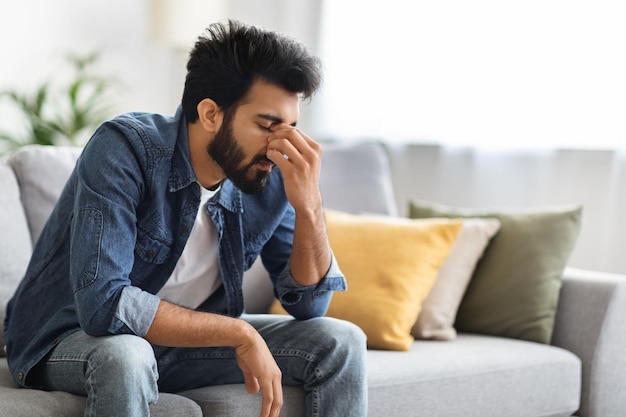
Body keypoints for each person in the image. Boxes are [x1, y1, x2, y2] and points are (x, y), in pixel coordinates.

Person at [4, 20, 367, 417]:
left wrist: (309, 206)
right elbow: (103, 304)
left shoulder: (271, 173)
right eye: (267, 125)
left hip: (181, 348)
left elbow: (310, 306)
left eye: (290, 126)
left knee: (340, 340)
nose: (281, 143)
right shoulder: (125, 149)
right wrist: (237, 332)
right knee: (127, 354)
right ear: (210, 113)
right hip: (70, 338)